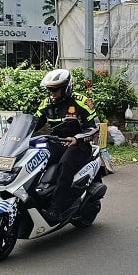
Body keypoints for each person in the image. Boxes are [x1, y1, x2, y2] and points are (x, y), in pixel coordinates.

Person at [34, 68, 99, 223]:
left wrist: (77, 137)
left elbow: (94, 127)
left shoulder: (81, 101)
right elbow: (34, 122)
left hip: (79, 145)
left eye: (55, 89)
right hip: (57, 142)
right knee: (35, 158)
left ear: (66, 87)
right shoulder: (47, 104)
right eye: (50, 89)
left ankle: (56, 208)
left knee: (65, 164)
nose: (52, 93)